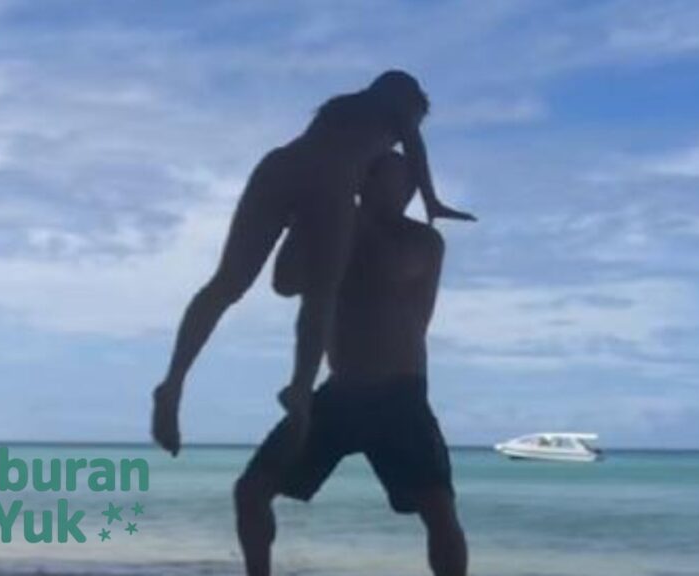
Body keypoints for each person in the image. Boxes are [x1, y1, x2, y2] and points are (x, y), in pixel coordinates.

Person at [152, 70, 474, 456]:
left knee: (227, 284)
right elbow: (415, 146)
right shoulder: (393, 113)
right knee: (321, 296)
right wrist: (431, 200)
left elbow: (284, 282)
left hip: (278, 167)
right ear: (407, 101)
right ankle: (301, 391)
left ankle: (173, 383)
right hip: (330, 183)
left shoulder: (341, 111)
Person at [234, 152, 468, 576]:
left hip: (398, 393)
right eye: (379, 176)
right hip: (340, 392)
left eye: (404, 182)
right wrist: (305, 221)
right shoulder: (334, 226)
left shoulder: (421, 241)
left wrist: (332, 213)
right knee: (251, 491)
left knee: (438, 507)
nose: (398, 189)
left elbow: (385, 267)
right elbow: (285, 283)